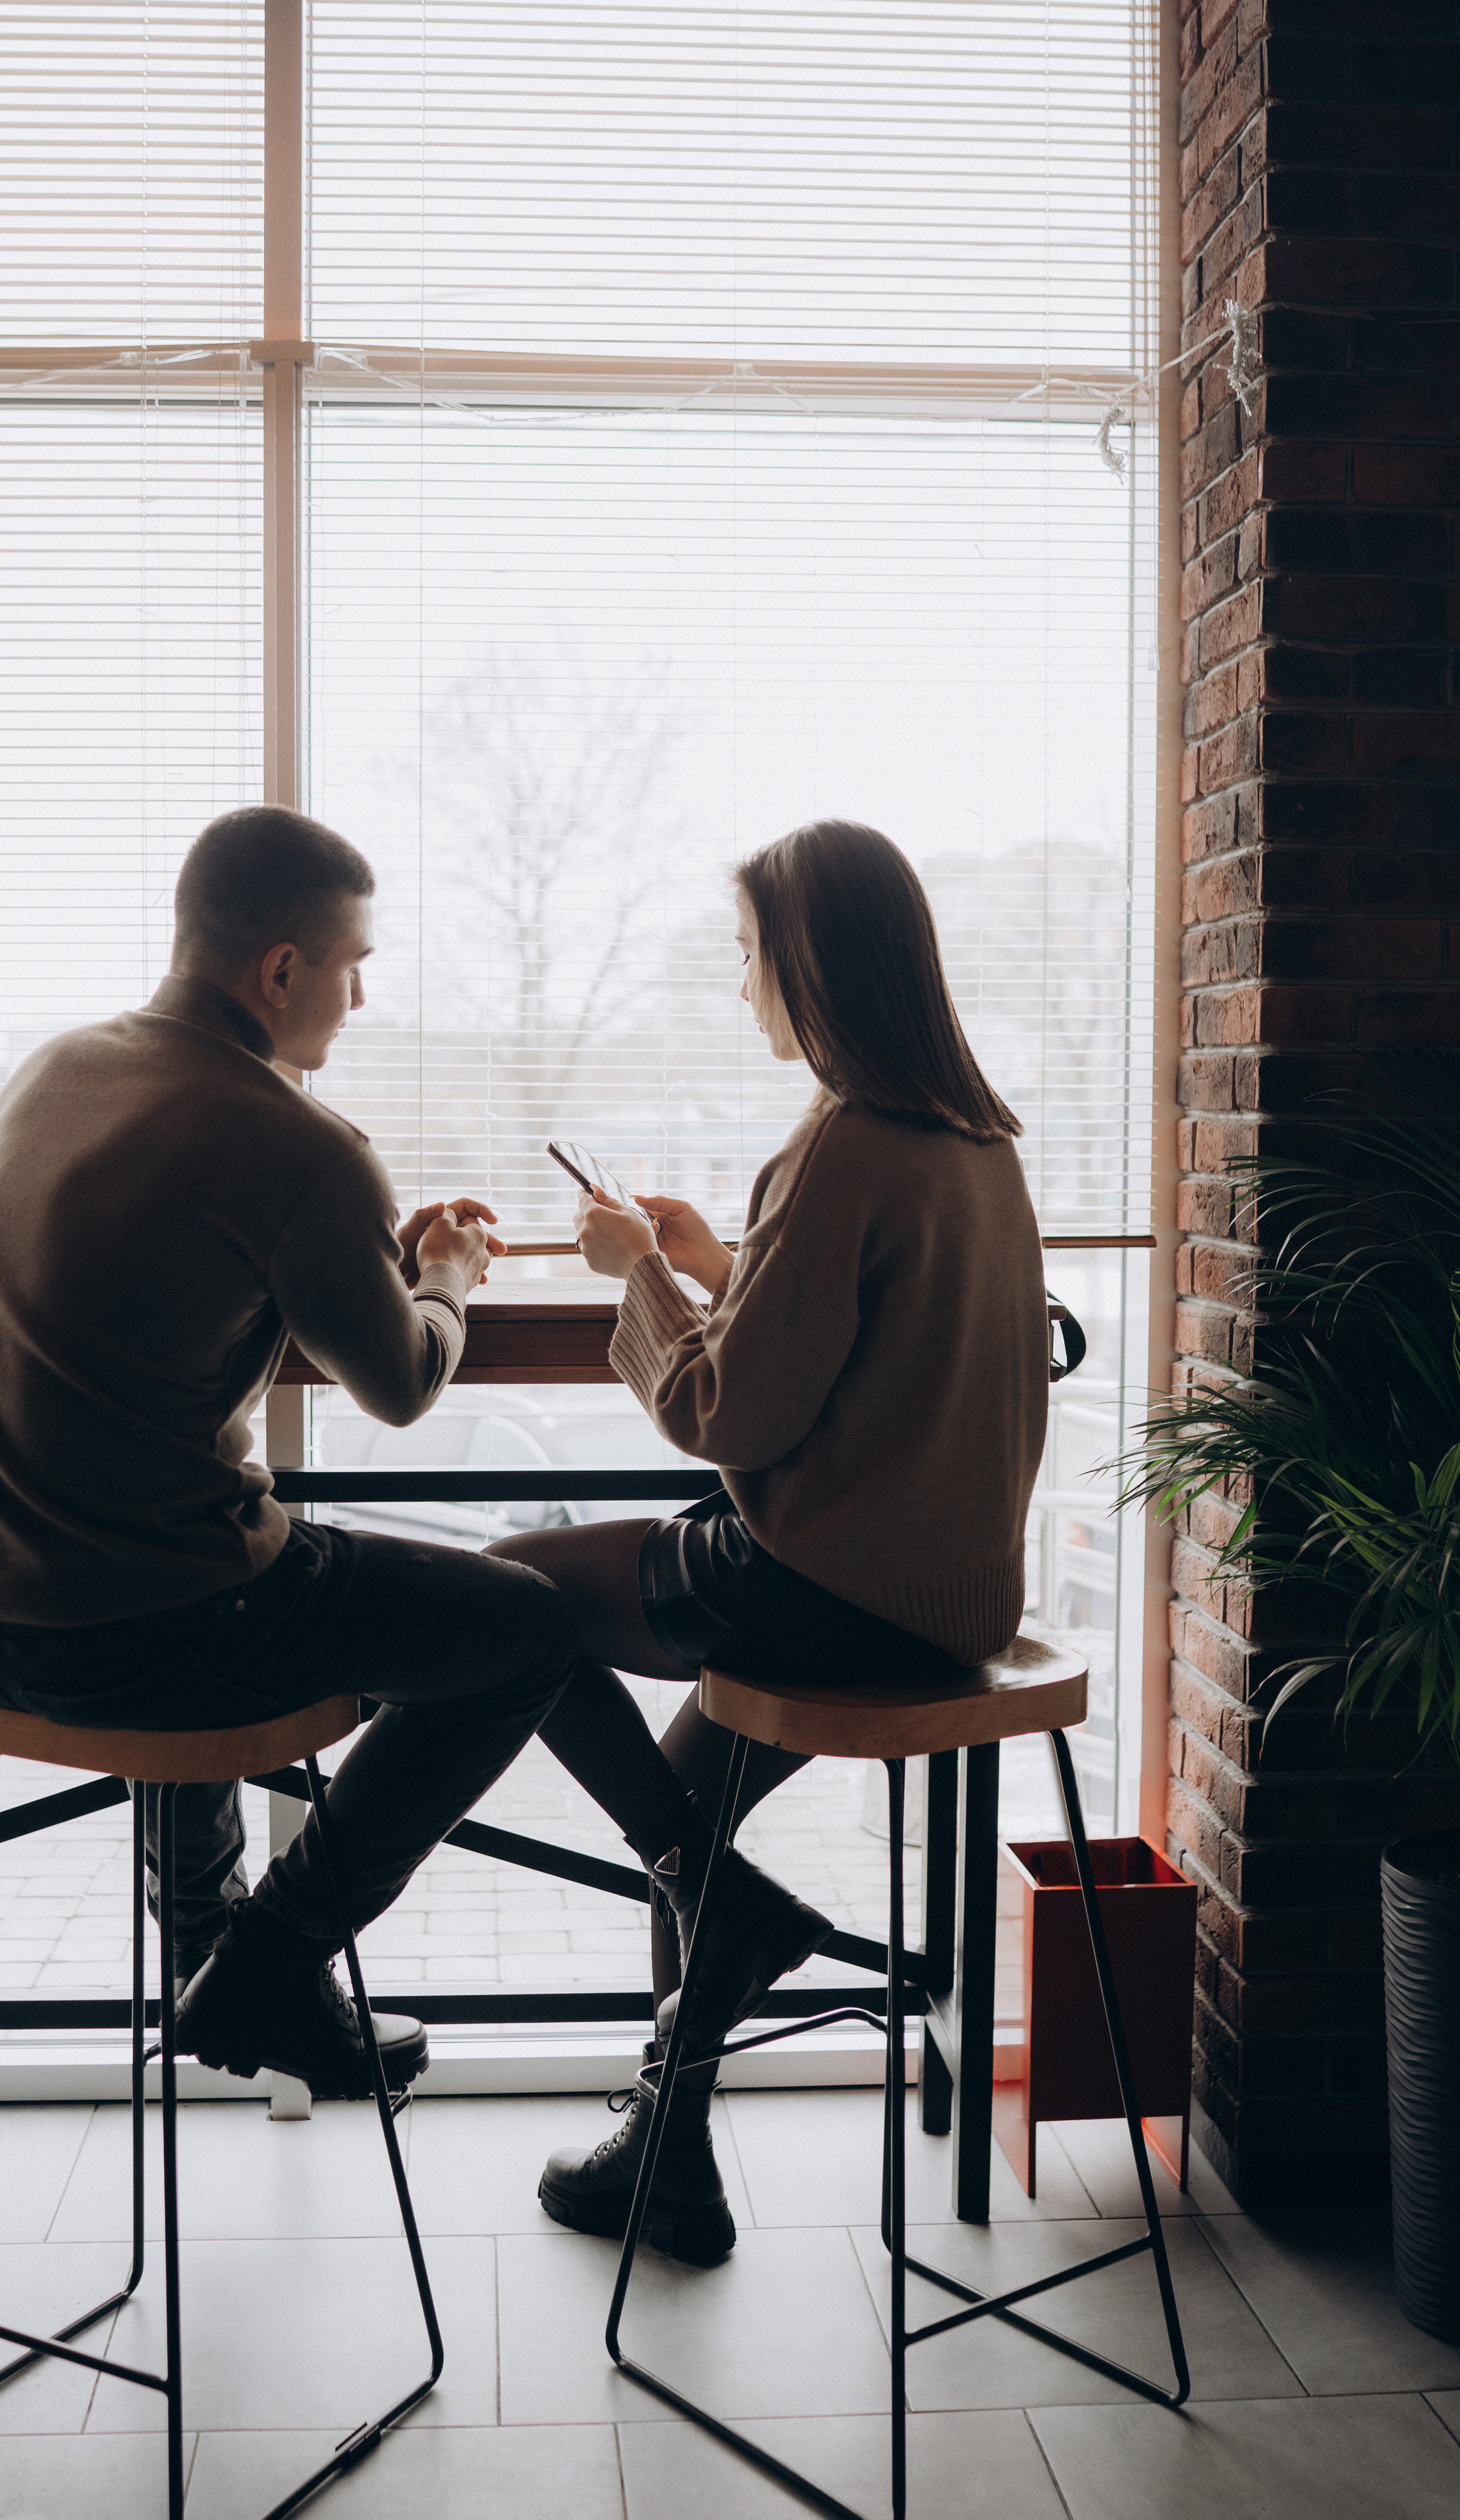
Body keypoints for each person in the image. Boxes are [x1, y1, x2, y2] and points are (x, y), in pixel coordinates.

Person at [0, 805, 580, 2101]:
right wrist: (445, 1277)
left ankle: (209, 1957)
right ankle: (271, 1962)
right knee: (530, 1634)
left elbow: (158, 1279)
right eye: (353, 965)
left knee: (210, 1549)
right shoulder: (300, 1143)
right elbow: (397, 1384)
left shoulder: (56, 1068)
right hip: (143, 1632)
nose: (362, 996)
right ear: (281, 969)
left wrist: (352, 1266)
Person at [487, 818, 1050, 2265]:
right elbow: (871, 1341)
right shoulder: (974, 1141)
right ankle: (666, 2157)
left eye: (746, 953)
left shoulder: (841, 1142)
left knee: (498, 1599)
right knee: (685, 1805)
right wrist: (718, 1264)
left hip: (825, 1587)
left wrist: (639, 1284)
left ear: (806, 966)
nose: (738, 982)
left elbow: (727, 1419)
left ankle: (721, 1942)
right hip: (949, 1598)